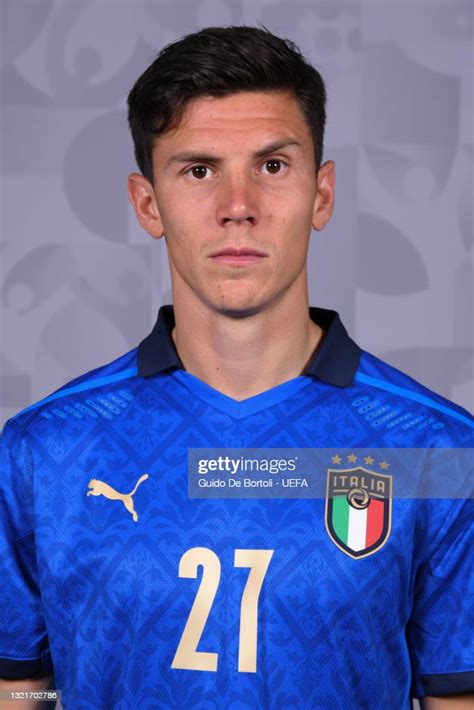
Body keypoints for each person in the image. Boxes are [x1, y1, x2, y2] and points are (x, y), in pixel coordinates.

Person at [0, 25, 472, 710]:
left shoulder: (439, 452)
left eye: (273, 166)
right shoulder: (42, 451)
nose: (238, 208)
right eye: (199, 170)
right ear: (146, 203)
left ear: (322, 193)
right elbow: (18, 691)